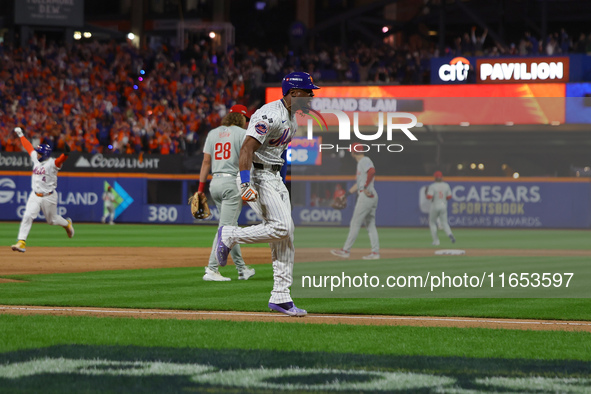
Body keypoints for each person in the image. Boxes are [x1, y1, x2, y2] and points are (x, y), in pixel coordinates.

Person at [213, 72, 319, 317]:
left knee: (286, 236)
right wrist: (245, 182)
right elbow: (247, 148)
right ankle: (229, 234)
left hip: (275, 176)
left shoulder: (293, 117)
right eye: (307, 92)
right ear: (293, 93)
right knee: (281, 227)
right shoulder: (269, 114)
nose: (311, 96)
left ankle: (281, 297)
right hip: (259, 175)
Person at [199, 104, 256, 282]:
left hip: (214, 183)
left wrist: (200, 189)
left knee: (230, 227)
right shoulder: (242, 134)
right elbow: (246, 160)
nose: (247, 123)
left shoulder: (213, 133)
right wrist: (248, 186)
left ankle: (242, 269)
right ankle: (211, 269)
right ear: (241, 119)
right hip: (232, 183)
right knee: (225, 229)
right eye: (246, 119)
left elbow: (206, 162)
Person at [11, 127, 74, 253]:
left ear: (45, 154)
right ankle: (21, 242)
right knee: (28, 215)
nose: (37, 154)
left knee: (52, 220)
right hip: (35, 195)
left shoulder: (51, 164)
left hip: (48, 196)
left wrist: (65, 154)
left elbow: (59, 160)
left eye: (39, 153)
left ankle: (67, 224)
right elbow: (28, 147)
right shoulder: (36, 159)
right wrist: (21, 134)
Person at [330, 143, 380, 260]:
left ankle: (345, 250)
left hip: (366, 196)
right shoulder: (361, 163)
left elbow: (372, 171)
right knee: (371, 225)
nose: (350, 153)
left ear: (354, 152)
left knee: (355, 223)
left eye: (351, 151)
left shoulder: (364, 160)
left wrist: (366, 186)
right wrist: (345, 195)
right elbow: (358, 185)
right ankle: (375, 253)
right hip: (370, 195)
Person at [426, 171, 456, 246]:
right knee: (445, 223)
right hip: (443, 205)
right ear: (442, 177)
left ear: (435, 178)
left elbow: (429, 197)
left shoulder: (433, 186)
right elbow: (449, 197)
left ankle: (436, 241)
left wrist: (427, 194)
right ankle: (450, 234)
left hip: (435, 205)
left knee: (432, 223)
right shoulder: (446, 185)